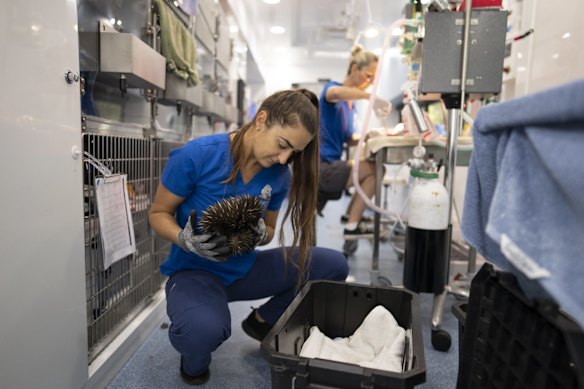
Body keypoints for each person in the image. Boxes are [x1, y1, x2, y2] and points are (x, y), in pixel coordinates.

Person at [148, 89, 349, 385]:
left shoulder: (279, 176)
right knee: (201, 331)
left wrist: (260, 234)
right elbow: (158, 214)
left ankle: (262, 322)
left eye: (293, 153)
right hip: (195, 272)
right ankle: (194, 361)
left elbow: (268, 231)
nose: (284, 158)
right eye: (283, 145)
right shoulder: (197, 156)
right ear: (261, 120)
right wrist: (183, 238)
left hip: (245, 269)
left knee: (333, 264)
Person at [318, 44, 391, 249]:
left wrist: (369, 136)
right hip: (321, 168)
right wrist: (370, 97)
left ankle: (351, 218)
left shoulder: (351, 107)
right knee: (377, 169)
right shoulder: (332, 91)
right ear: (354, 70)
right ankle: (352, 223)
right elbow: (335, 92)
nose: (370, 82)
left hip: (332, 163)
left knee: (372, 168)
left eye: (374, 79)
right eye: (368, 76)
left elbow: (348, 139)